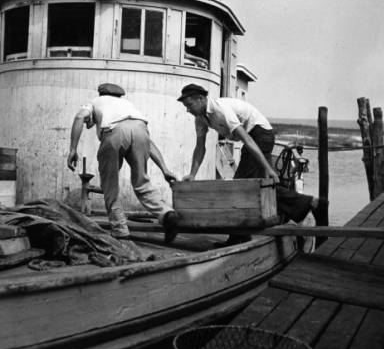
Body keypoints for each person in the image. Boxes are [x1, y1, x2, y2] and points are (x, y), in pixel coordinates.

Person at [177, 83, 327, 231]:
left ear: (201, 99)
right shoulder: (200, 118)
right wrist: (192, 174)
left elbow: (248, 140)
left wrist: (268, 169)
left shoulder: (219, 110)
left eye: (189, 105)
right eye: (186, 106)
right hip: (255, 136)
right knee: (259, 185)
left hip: (260, 134)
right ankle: (310, 203)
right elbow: (200, 147)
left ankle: (240, 235)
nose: (188, 110)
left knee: (241, 186)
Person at [68, 83, 180, 242]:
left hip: (114, 134)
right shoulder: (129, 106)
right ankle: (167, 214)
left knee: (110, 185)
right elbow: (149, 143)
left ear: (101, 94)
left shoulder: (95, 102)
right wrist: (164, 169)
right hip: (141, 131)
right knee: (142, 182)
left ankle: (120, 230)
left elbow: (80, 117)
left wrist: (73, 149)